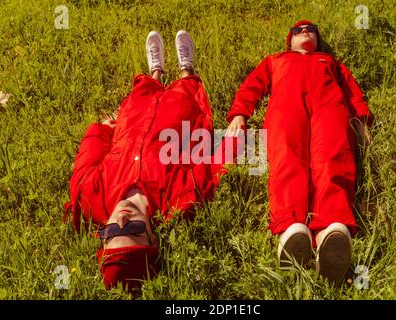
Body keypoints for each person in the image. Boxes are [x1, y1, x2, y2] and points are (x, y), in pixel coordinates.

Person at [64, 30, 240, 293]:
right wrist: (236, 141)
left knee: (140, 94)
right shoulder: (179, 199)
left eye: (111, 233)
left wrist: (103, 129)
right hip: (175, 124)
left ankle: (155, 71)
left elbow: (87, 158)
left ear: (102, 237)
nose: (122, 219)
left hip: (132, 124)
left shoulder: (90, 197)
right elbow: (213, 171)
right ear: (151, 235)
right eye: (133, 229)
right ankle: (186, 70)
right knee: (184, 97)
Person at [226, 20, 373, 283]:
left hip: (329, 107)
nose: (304, 32)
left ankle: (330, 229)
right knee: (287, 156)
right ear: (289, 41)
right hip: (287, 106)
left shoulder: (330, 62)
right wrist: (239, 113)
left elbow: (352, 90)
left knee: (333, 157)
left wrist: (360, 121)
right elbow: (253, 85)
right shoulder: (275, 60)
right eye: (298, 31)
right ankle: (291, 229)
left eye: (311, 30)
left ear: (317, 39)